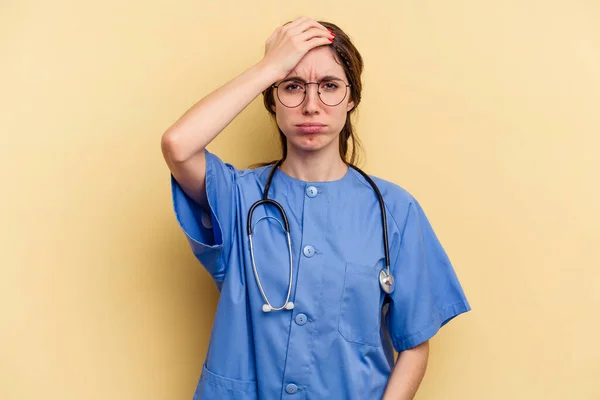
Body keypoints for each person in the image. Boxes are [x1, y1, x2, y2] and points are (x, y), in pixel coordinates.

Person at [161, 16, 470, 400]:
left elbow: (414, 343)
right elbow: (178, 144)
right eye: (292, 87)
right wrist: (270, 66)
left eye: (329, 86)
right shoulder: (237, 197)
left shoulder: (395, 209)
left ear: (352, 97)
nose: (311, 105)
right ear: (272, 98)